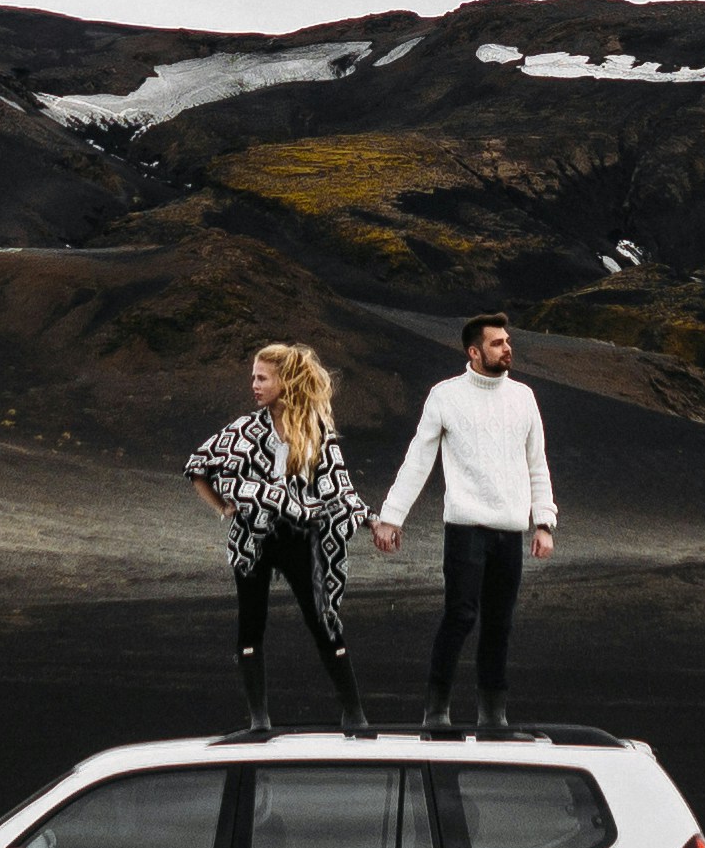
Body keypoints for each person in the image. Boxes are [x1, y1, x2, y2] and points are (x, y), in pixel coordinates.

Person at [369, 313, 555, 739]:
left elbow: (537, 463)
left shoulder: (524, 397)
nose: (507, 348)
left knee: (499, 622)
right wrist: (391, 516)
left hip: (509, 529)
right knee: (460, 615)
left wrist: (543, 522)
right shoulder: (446, 396)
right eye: (497, 343)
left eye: (508, 341)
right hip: (466, 527)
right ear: (474, 352)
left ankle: (493, 718)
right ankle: (436, 713)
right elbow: (419, 458)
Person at [184, 341, 370, 739]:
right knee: (250, 624)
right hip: (254, 538)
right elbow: (199, 466)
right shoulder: (244, 429)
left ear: (284, 381)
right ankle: (259, 721)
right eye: (253, 377)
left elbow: (340, 487)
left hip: (301, 538)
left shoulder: (316, 429)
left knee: (323, 619)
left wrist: (370, 520)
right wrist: (224, 508)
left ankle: (354, 715)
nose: (254, 384)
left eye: (262, 377)